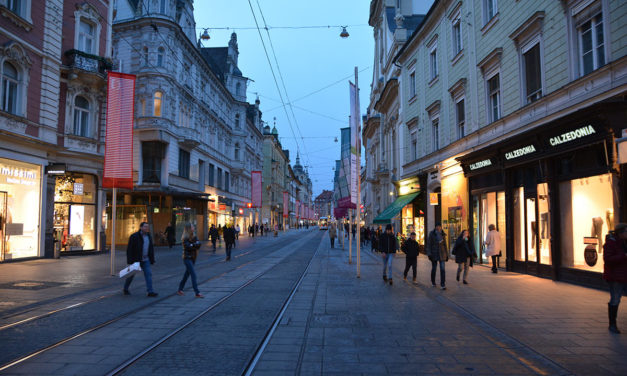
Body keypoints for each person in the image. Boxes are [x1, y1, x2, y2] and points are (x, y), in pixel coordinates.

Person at [603, 223, 627, 334]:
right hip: (615, 276)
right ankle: (612, 325)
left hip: (624, 275)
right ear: (621, 232)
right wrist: (623, 256)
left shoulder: (624, 242)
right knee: (615, 299)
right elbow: (607, 259)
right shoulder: (611, 243)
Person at [123, 222, 158, 297]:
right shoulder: (134, 236)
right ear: (141, 227)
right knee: (131, 275)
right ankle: (125, 288)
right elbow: (129, 249)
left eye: (147, 227)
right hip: (136, 260)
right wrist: (130, 261)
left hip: (146, 260)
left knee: (148, 274)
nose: (146, 228)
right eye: (145, 227)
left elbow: (150, 249)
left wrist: (152, 259)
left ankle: (150, 291)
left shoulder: (149, 236)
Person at [177, 223, 203, 298]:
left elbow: (199, 244)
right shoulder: (185, 238)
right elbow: (188, 246)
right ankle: (197, 292)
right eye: (192, 227)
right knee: (193, 275)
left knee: (186, 275)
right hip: (187, 258)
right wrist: (194, 245)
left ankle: (180, 289)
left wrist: (193, 245)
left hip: (193, 258)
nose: (193, 227)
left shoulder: (194, 236)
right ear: (189, 228)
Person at [427, 222, 448, 290]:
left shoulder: (442, 234)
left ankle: (443, 284)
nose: (438, 227)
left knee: (443, 269)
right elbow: (429, 244)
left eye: (439, 226)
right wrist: (429, 254)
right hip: (434, 253)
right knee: (434, 268)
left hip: (442, 254)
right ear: (435, 227)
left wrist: (446, 254)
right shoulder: (432, 234)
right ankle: (433, 281)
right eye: (437, 226)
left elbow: (445, 245)